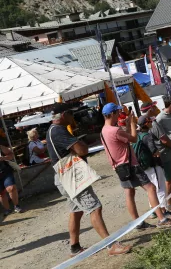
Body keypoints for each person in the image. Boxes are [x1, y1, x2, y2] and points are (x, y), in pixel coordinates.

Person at [47, 103, 131, 257]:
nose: (73, 117)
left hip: (63, 177)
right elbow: (82, 150)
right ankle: (110, 245)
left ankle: (74, 247)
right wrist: (79, 142)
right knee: (94, 207)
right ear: (64, 115)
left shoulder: (52, 130)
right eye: (71, 114)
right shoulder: (59, 131)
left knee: (76, 210)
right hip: (71, 178)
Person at [134, 115, 171, 219]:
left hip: (144, 166)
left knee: (151, 189)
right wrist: (159, 153)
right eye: (150, 121)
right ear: (146, 123)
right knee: (160, 188)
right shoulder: (148, 136)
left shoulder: (138, 135)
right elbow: (154, 151)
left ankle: (153, 211)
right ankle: (163, 210)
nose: (152, 123)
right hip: (153, 166)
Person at [0, 144, 23, 215]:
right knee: (1, 193)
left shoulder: (0, 147)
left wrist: (3, 158)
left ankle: (16, 206)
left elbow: (11, 155)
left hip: (5, 171)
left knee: (11, 188)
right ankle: (7, 209)